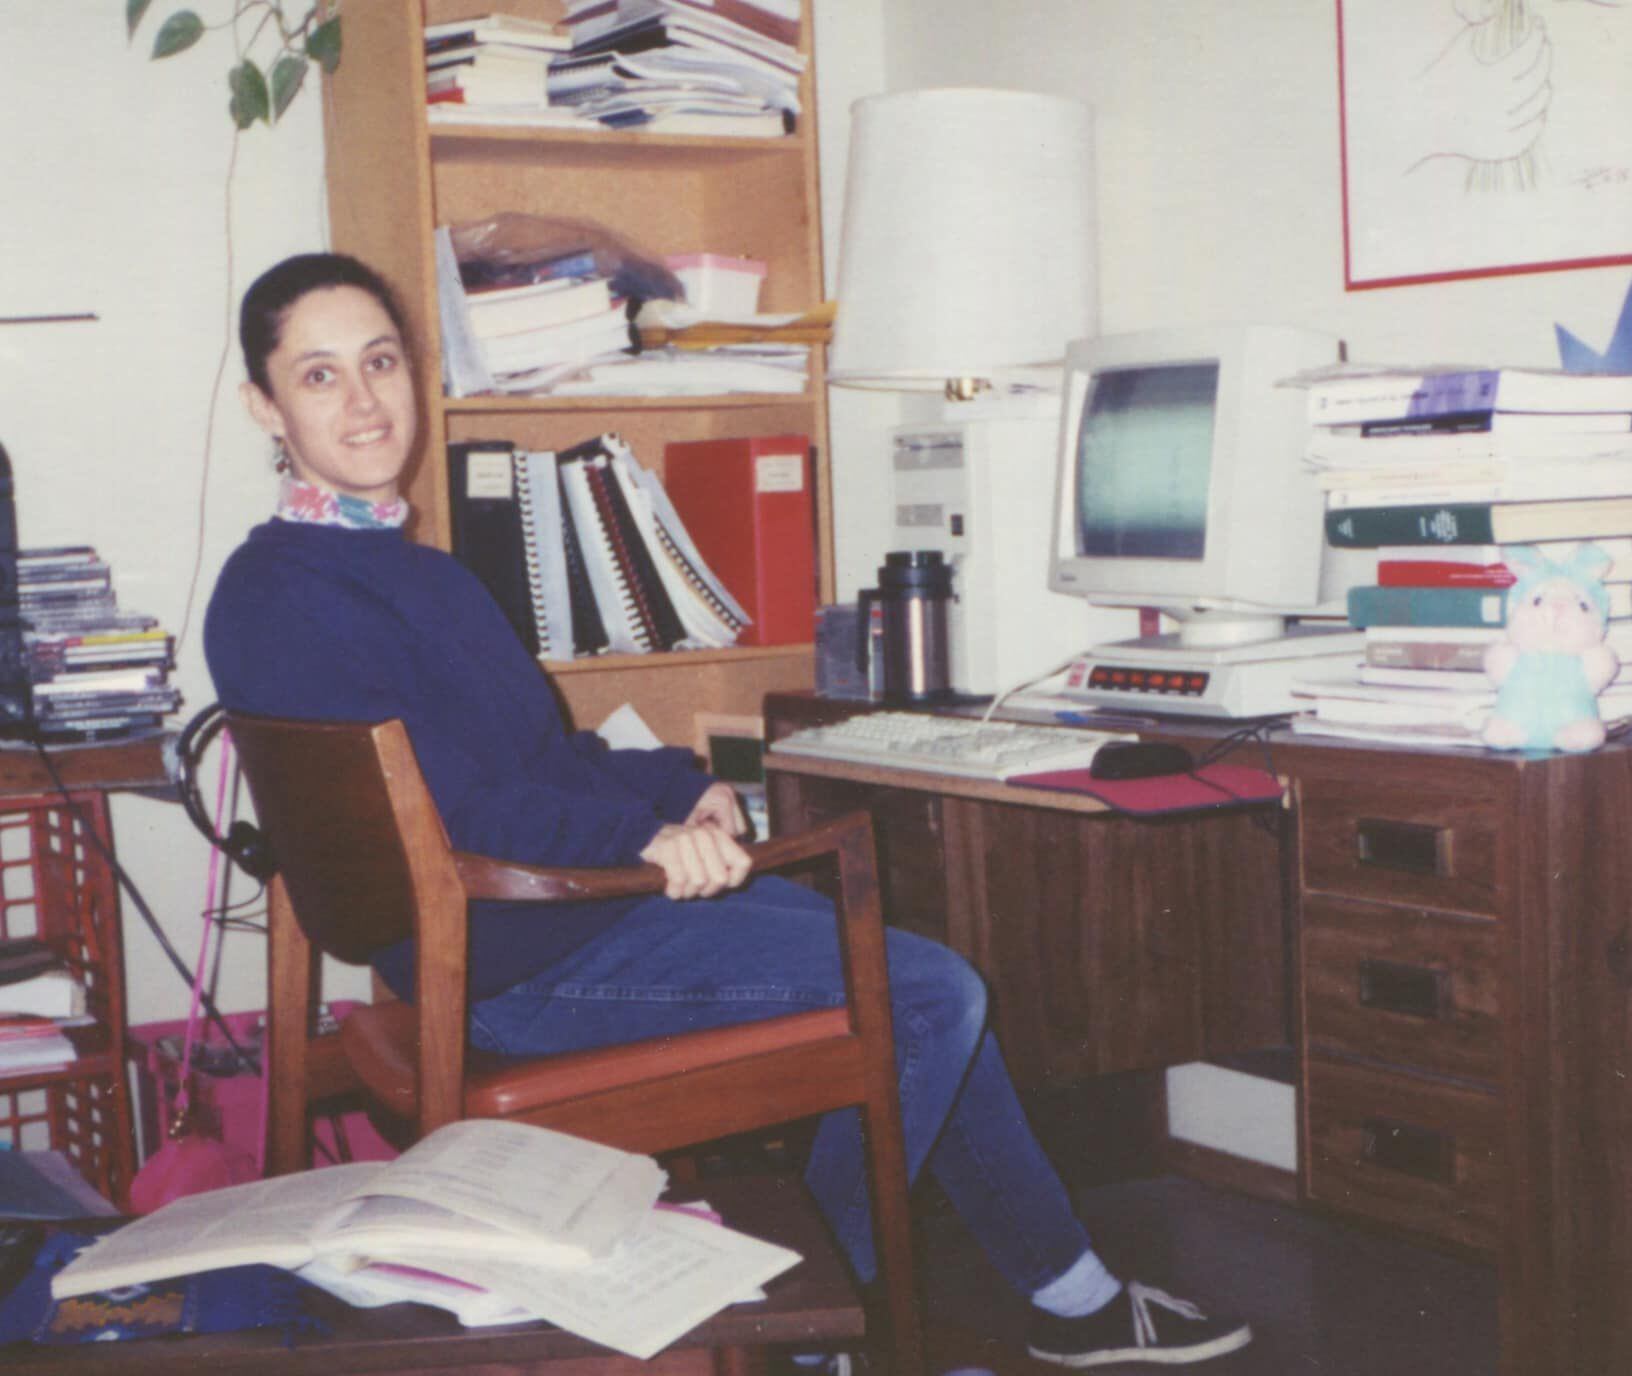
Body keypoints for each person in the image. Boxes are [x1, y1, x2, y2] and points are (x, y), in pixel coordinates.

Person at [204, 252, 1253, 1371]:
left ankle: (1059, 1295)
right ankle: (809, 1332)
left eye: (377, 361)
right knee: (924, 990)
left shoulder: (413, 570)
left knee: (911, 971)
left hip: (557, 925)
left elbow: (539, 755)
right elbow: (453, 805)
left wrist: (670, 787)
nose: (363, 401)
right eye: (319, 376)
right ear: (265, 405)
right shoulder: (281, 594)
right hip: (509, 967)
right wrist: (641, 841)